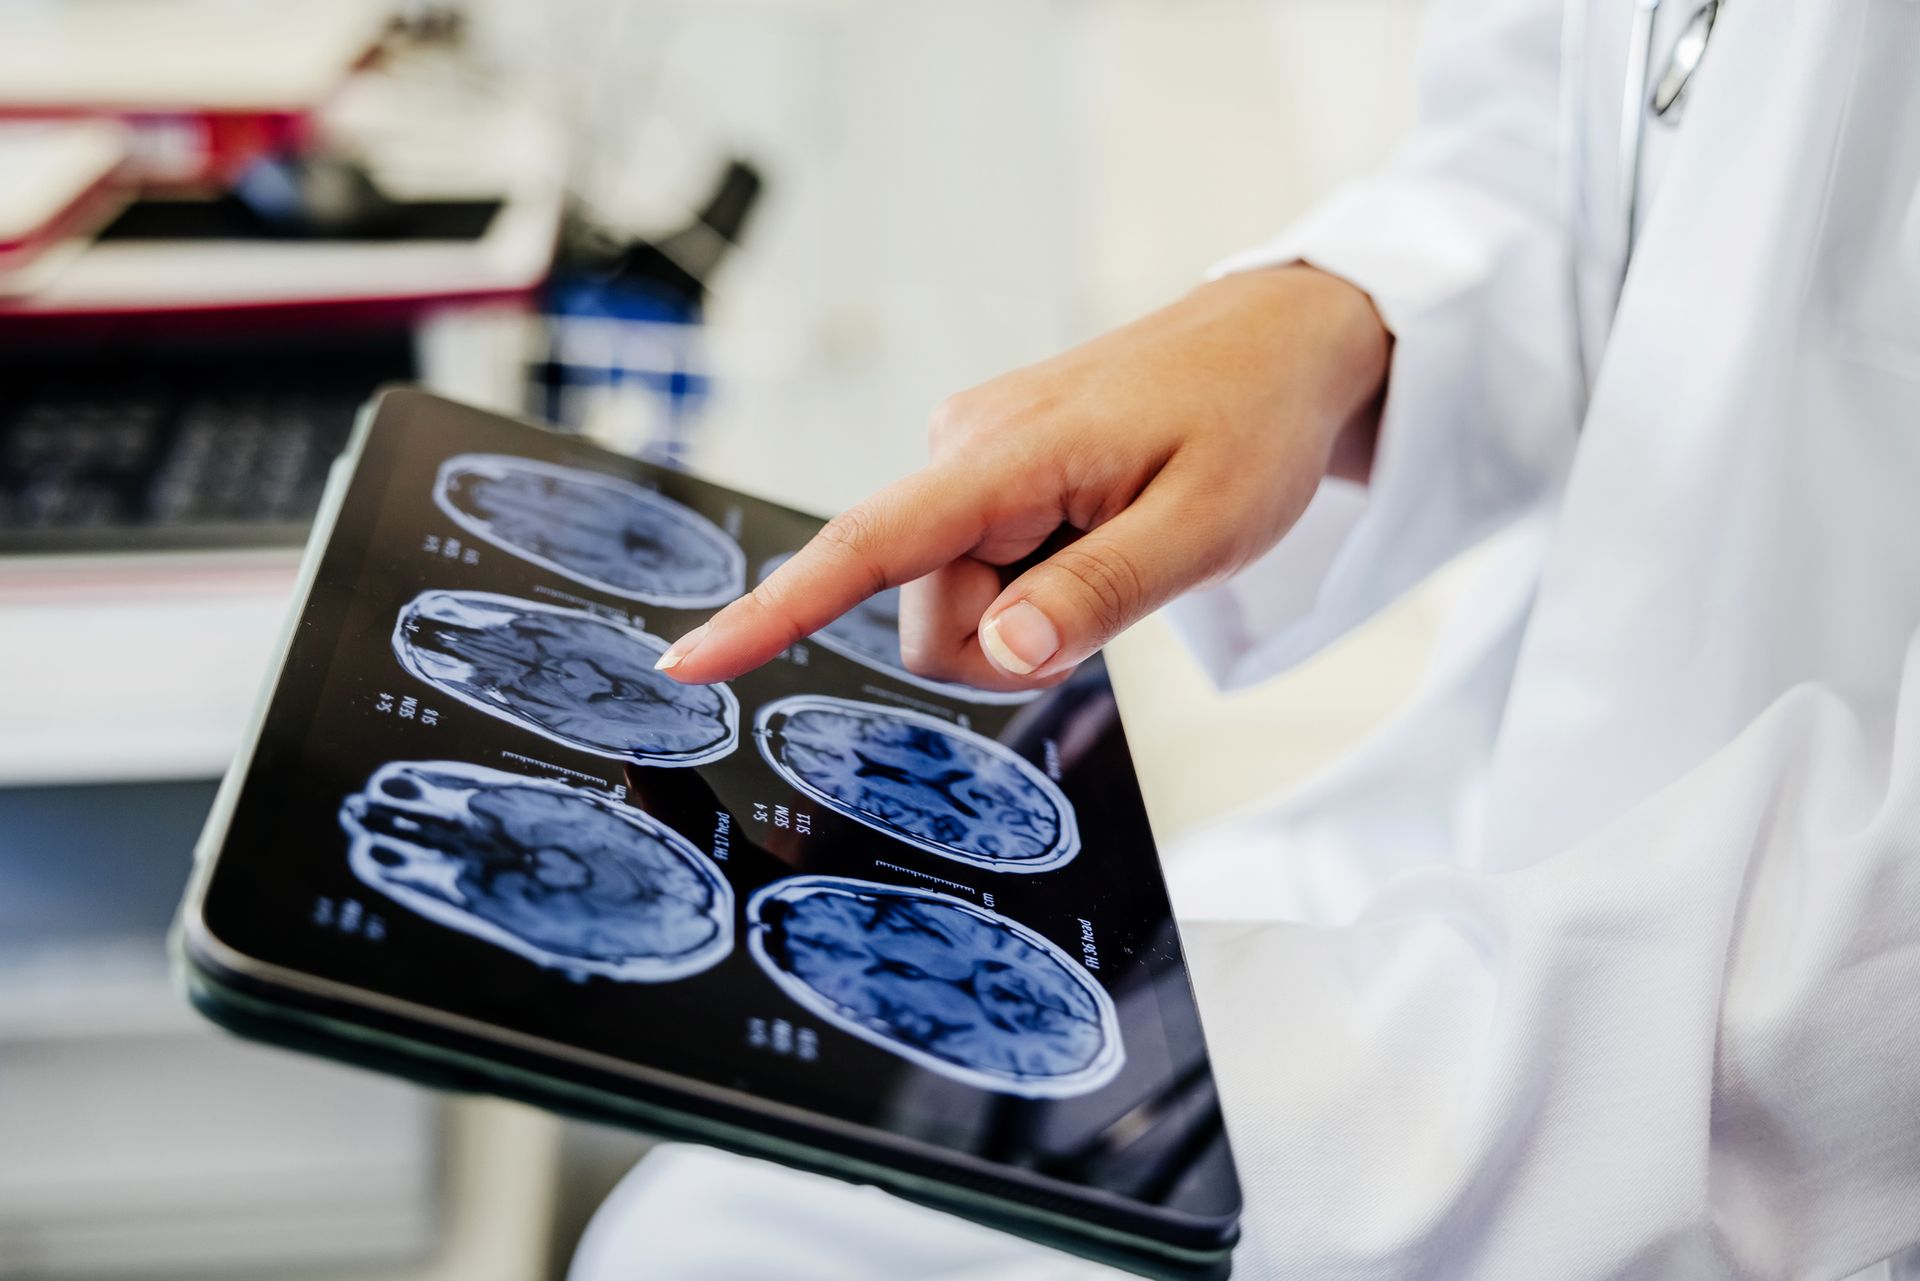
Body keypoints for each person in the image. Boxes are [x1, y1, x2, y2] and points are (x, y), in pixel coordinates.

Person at [579, 0, 1920, 1275]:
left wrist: (1114, 1033)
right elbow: (1626, 125)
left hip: (1752, 1042)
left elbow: (1851, 1005)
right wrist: (1340, 315)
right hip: (1533, 787)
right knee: (711, 1226)